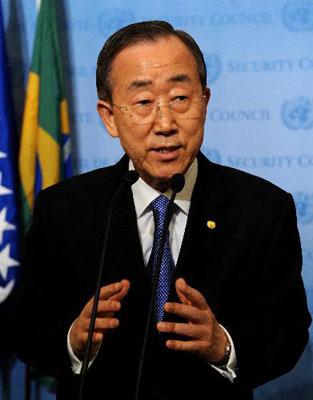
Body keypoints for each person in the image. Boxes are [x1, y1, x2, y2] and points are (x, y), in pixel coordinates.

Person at [13, 21, 311, 400]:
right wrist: (74, 339)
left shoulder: (263, 208)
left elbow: (287, 329)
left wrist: (223, 344)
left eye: (180, 98)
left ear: (204, 101)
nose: (166, 123)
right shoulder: (64, 208)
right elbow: (26, 327)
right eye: (143, 102)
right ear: (109, 117)